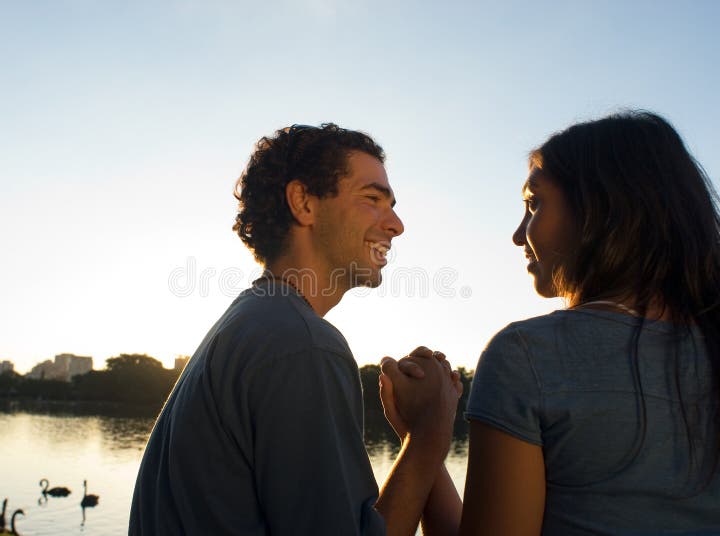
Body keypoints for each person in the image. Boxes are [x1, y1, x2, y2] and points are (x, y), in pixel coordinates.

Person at [381, 111, 720, 535]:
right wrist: (425, 435)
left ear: (602, 208)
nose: (519, 234)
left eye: (533, 203)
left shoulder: (528, 355)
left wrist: (426, 432)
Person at [129, 123, 459, 535]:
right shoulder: (303, 345)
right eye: (373, 199)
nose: (396, 225)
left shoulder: (252, 324)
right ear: (304, 203)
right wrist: (429, 435)